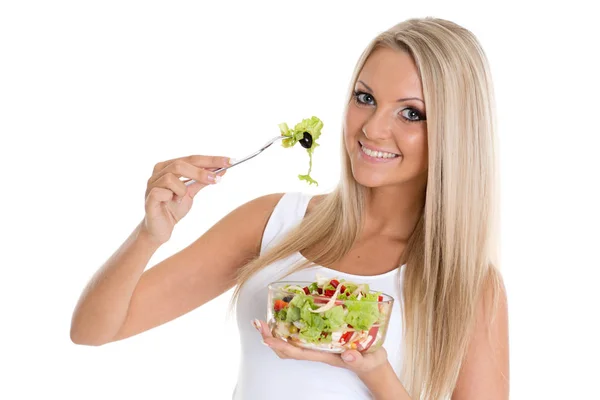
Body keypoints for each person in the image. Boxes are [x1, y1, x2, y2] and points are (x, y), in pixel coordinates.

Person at [70, 16, 509, 400]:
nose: (373, 128)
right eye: (365, 97)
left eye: (411, 113)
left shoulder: (468, 283)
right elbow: (92, 331)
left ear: (454, 132)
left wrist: (372, 370)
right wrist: (150, 235)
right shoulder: (275, 221)